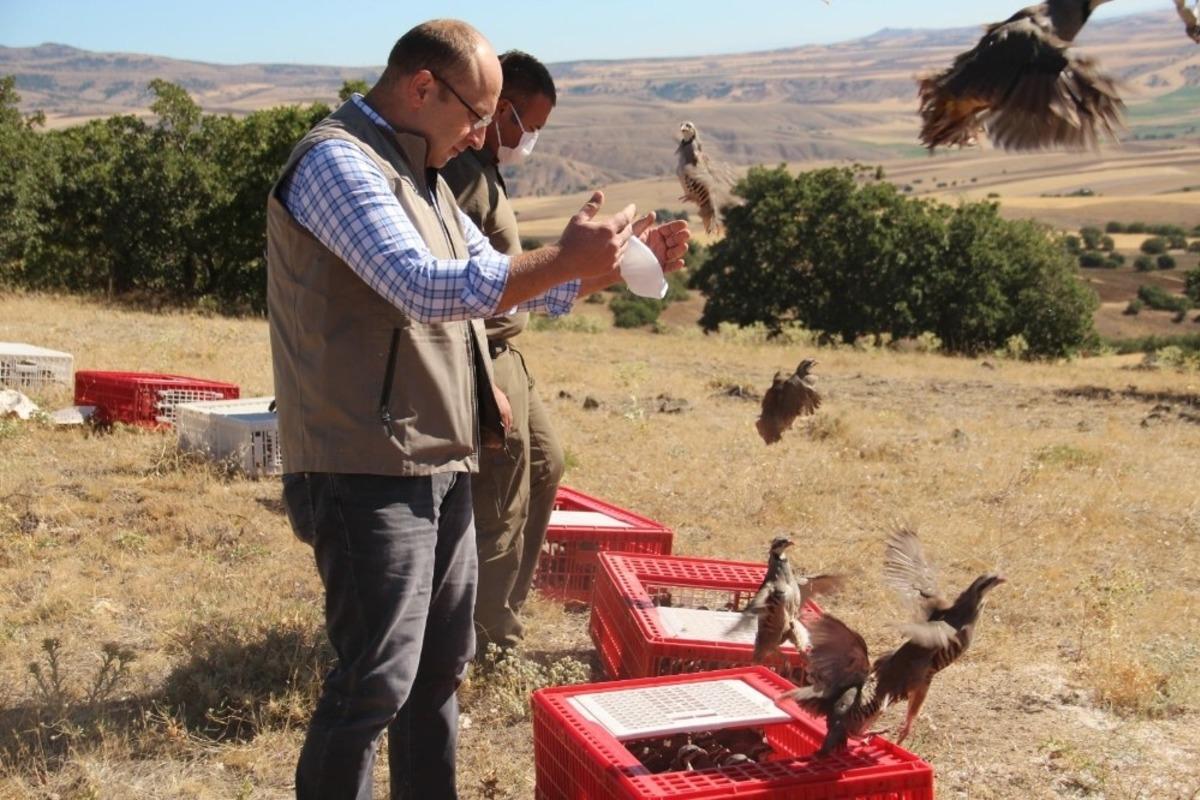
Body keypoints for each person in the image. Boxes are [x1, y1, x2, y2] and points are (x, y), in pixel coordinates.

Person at [266, 18, 689, 800]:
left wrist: (611, 269)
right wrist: (563, 258)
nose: (481, 135)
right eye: (476, 115)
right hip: (363, 463)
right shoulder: (338, 161)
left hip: (437, 455)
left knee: (437, 676)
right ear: (423, 87)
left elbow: (494, 279)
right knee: (373, 685)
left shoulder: (422, 172)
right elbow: (421, 285)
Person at [441, 50, 563, 653]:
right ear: (501, 109)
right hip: (483, 355)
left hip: (508, 353)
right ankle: (485, 640)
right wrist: (480, 377)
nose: (529, 141)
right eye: (527, 126)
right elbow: (455, 286)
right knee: (498, 507)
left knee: (545, 467)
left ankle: (501, 611)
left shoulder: (486, 168)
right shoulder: (463, 176)